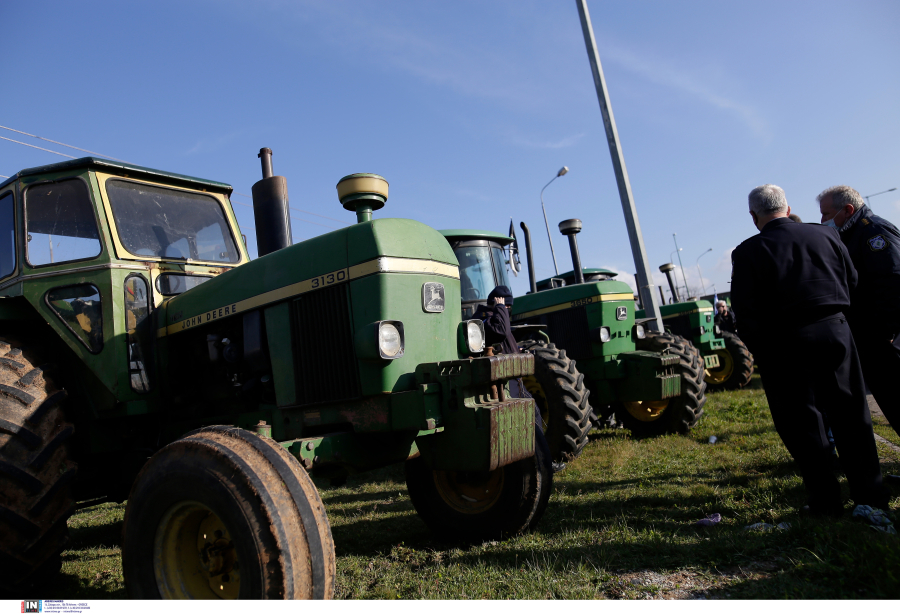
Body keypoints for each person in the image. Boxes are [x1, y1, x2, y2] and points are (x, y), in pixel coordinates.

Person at [731, 184, 889, 515]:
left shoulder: (746, 252)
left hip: (783, 342)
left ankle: (826, 502)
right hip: (835, 331)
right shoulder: (826, 236)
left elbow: (745, 313)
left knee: (803, 423)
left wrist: (764, 350)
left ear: (753, 216)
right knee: (852, 416)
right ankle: (871, 497)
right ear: (787, 208)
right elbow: (852, 281)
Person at [817, 185, 900, 439]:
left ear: (848, 210)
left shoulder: (872, 231)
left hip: (887, 340)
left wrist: (886, 332)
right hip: (874, 339)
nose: (823, 221)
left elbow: (894, 283)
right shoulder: (851, 236)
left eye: (826, 214)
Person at [473, 286, 559, 472]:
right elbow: (500, 331)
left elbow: (503, 339)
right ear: (498, 302)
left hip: (513, 377)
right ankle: (536, 464)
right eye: (507, 307)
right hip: (503, 381)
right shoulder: (483, 320)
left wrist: (516, 351)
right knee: (522, 419)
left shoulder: (495, 317)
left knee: (533, 414)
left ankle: (540, 461)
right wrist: (501, 309)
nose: (508, 311)